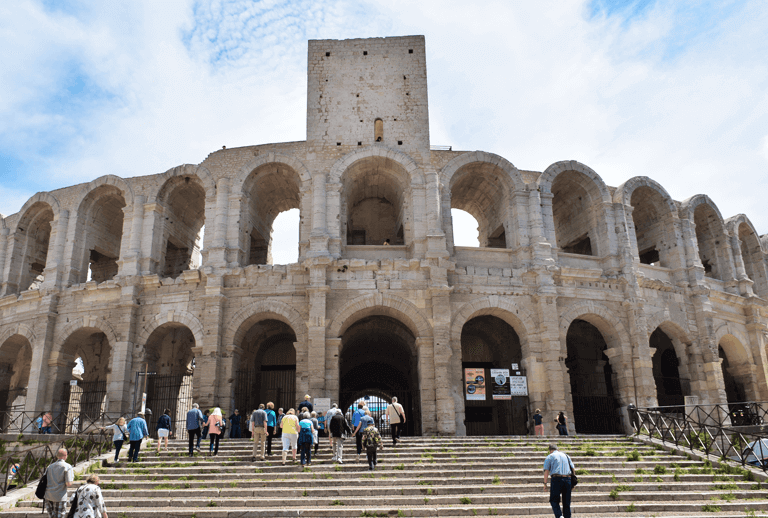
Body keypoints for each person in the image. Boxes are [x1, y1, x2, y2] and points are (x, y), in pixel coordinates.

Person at [543, 443, 576, 518]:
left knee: (554, 500)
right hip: (568, 479)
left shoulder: (550, 456)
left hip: (556, 479)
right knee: (567, 502)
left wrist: (545, 483)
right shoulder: (566, 455)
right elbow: (573, 469)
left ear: (550, 450)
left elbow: (546, 471)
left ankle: (559, 516)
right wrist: (573, 482)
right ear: (558, 449)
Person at [44, 448, 73, 518]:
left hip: (48, 495)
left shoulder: (49, 466)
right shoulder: (67, 466)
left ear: (57, 456)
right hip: (60, 496)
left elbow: (44, 480)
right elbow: (68, 483)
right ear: (66, 455)